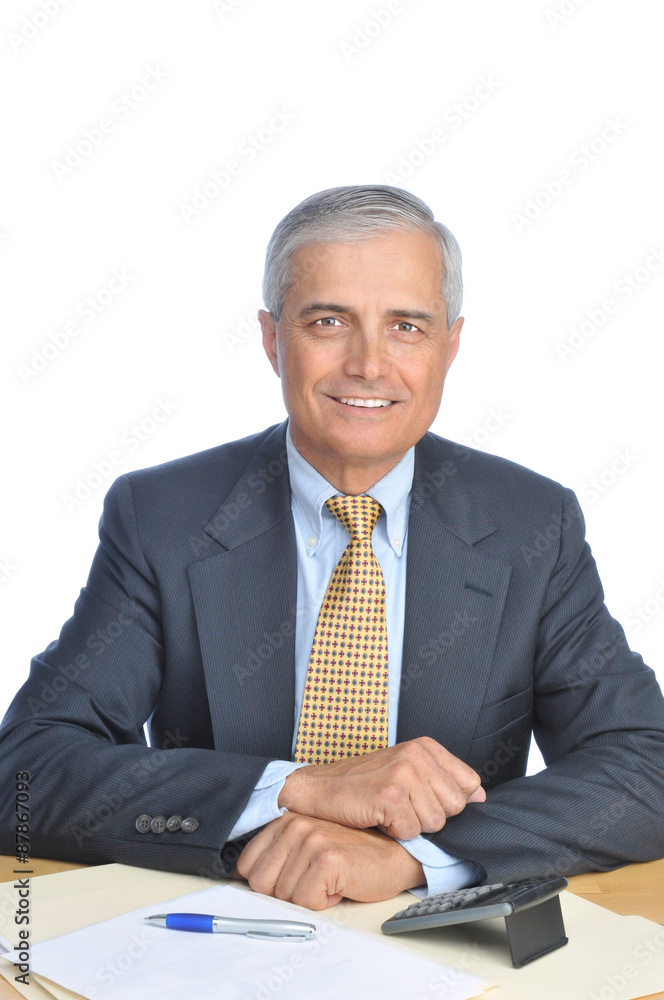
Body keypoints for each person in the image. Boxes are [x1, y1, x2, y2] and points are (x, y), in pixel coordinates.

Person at [2, 185, 663, 912]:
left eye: (407, 326)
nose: (369, 364)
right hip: (217, 926)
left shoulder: (532, 524)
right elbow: (26, 773)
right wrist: (293, 788)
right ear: (271, 337)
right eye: (328, 321)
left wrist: (416, 857)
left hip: (444, 944)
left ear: (451, 344)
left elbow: (646, 765)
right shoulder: (163, 517)